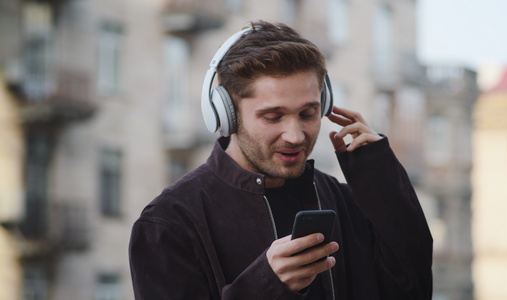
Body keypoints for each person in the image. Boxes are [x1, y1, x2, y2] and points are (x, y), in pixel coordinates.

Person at [129, 20, 433, 300]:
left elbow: (412, 289)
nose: (295, 135)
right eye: (273, 116)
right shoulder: (168, 222)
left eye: (308, 113)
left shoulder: (343, 200)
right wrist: (265, 284)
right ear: (227, 115)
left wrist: (380, 175)